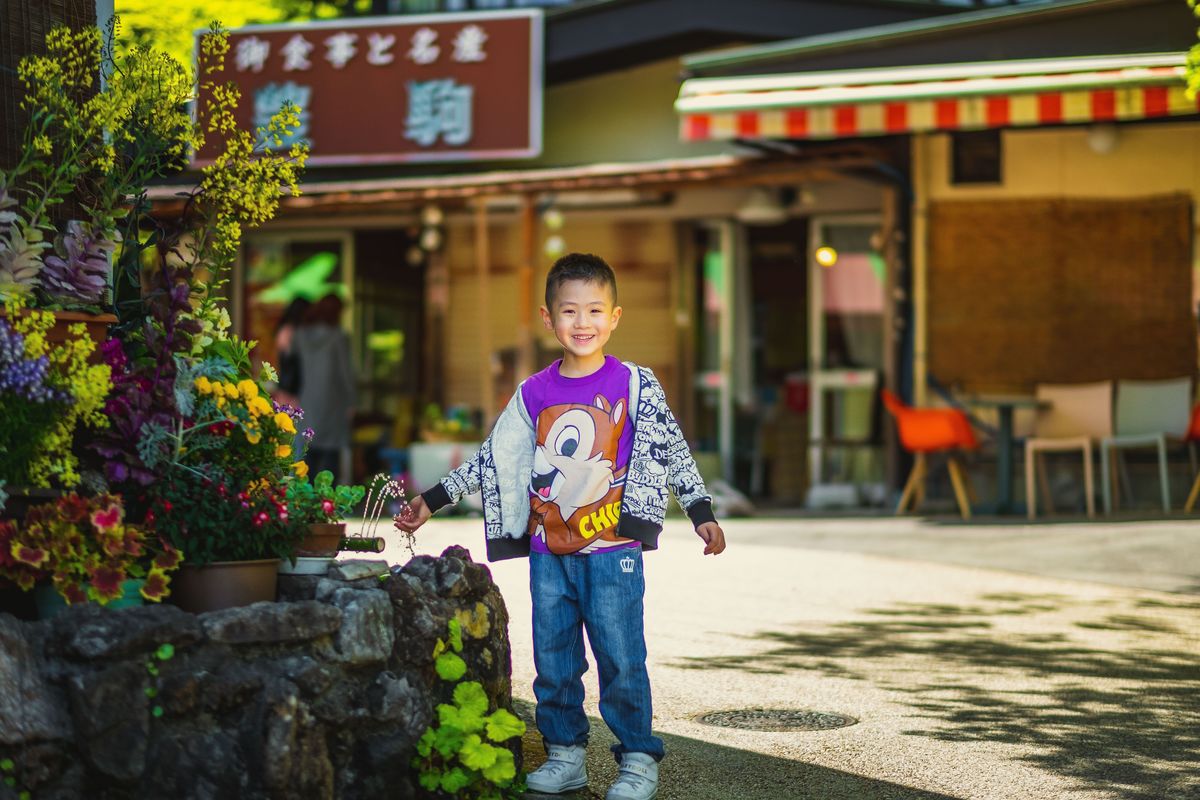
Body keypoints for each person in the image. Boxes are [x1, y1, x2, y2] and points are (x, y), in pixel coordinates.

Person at [396, 252, 726, 800]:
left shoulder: (636, 385)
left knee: (621, 658)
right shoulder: (533, 394)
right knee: (553, 660)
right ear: (548, 319)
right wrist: (432, 500)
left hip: (613, 551)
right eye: (569, 311)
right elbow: (492, 459)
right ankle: (566, 755)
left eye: (595, 310)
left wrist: (701, 511)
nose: (582, 322)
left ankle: (638, 758)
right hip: (550, 552)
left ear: (615, 317)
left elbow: (672, 449)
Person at [294, 293, 356, 483]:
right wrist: (352, 401)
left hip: (306, 400)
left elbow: (292, 368)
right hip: (333, 402)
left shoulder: (300, 335)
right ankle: (327, 502)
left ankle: (305, 501)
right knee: (330, 456)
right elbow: (345, 373)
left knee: (307, 452)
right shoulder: (338, 337)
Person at [271, 297, 311, 409]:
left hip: (288, 386)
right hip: (291, 388)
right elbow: (288, 358)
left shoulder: (286, 330)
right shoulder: (292, 332)